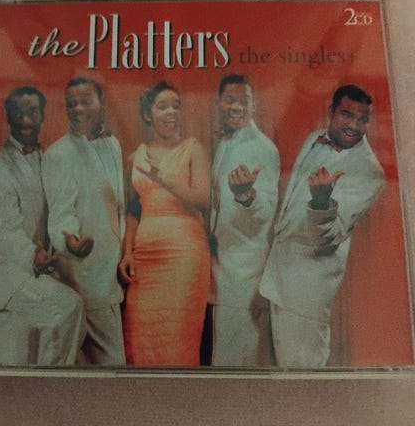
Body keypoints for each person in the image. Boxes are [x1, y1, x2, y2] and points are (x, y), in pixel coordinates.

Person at [259, 84, 385, 368]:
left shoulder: (370, 172)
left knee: (304, 379)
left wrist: (321, 202)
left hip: (308, 291)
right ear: (332, 112)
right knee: (284, 373)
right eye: (347, 115)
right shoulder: (315, 139)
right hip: (278, 279)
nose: (353, 126)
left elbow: (331, 236)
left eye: (362, 119)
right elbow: (291, 204)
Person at [0, 86, 84, 366]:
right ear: (8, 117)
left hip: (34, 271)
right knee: (65, 309)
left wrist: (67, 240)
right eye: (18, 113)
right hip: (5, 272)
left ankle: (38, 384)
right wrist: (33, 255)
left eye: (32, 112)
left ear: (43, 116)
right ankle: (51, 383)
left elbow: (61, 211)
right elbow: (5, 232)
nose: (25, 120)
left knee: (13, 355)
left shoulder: (48, 161)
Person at [118, 81, 211, 366]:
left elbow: (203, 199)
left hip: (184, 258)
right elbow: (133, 210)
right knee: (139, 344)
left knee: (178, 344)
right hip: (145, 259)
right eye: (162, 106)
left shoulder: (193, 149)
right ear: (148, 115)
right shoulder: (136, 156)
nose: (171, 112)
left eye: (176, 106)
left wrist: (164, 180)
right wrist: (128, 253)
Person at [41, 77, 126, 365]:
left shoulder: (112, 143)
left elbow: (117, 207)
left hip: (110, 276)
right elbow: (60, 215)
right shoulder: (58, 155)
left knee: (96, 368)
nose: (77, 109)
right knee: (105, 365)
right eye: (71, 104)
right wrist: (70, 243)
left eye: (85, 101)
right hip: (81, 277)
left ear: (102, 101)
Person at [208, 74, 280, 367]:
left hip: (247, 270)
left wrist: (247, 195)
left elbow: (266, 211)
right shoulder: (227, 142)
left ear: (254, 105)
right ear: (218, 103)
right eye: (230, 100)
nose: (237, 107)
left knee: (241, 359)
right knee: (226, 354)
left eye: (244, 101)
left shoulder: (263, 148)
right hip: (224, 268)